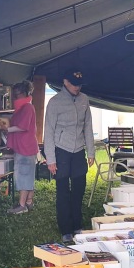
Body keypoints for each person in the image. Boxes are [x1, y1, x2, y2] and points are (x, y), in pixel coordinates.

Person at [43, 68, 95, 243]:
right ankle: (65, 229)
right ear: (65, 82)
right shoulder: (55, 102)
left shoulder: (84, 99)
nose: (77, 87)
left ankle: (77, 225)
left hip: (79, 150)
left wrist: (91, 151)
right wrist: (51, 159)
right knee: (63, 192)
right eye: (74, 84)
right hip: (61, 151)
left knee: (79, 189)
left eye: (79, 84)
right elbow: (48, 131)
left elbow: (88, 126)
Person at [3, 80, 39, 214]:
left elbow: (23, 126)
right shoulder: (23, 107)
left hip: (25, 148)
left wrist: (8, 129)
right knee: (27, 175)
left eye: (17, 94)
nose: (15, 97)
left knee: (23, 175)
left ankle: (22, 205)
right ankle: (28, 202)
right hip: (25, 147)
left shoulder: (27, 108)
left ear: (24, 93)